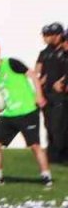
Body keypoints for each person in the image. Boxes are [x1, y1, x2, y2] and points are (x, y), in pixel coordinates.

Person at [0, 41, 51, 187]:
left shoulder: (11, 63)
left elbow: (33, 75)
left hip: (27, 111)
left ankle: (46, 176)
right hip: (9, 115)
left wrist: (39, 96)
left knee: (35, 146)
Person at [36, 22, 68, 164]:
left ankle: (62, 155)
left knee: (59, 126)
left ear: (58, 35)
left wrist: (62, 81)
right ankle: (53, 156)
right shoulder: (45, 53)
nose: (47, 37)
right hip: (46, 94)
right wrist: (39, 81)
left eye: (50, 35)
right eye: (46, 35)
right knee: (49, 125)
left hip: (60, 95)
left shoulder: (64, 52)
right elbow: (37, 71)